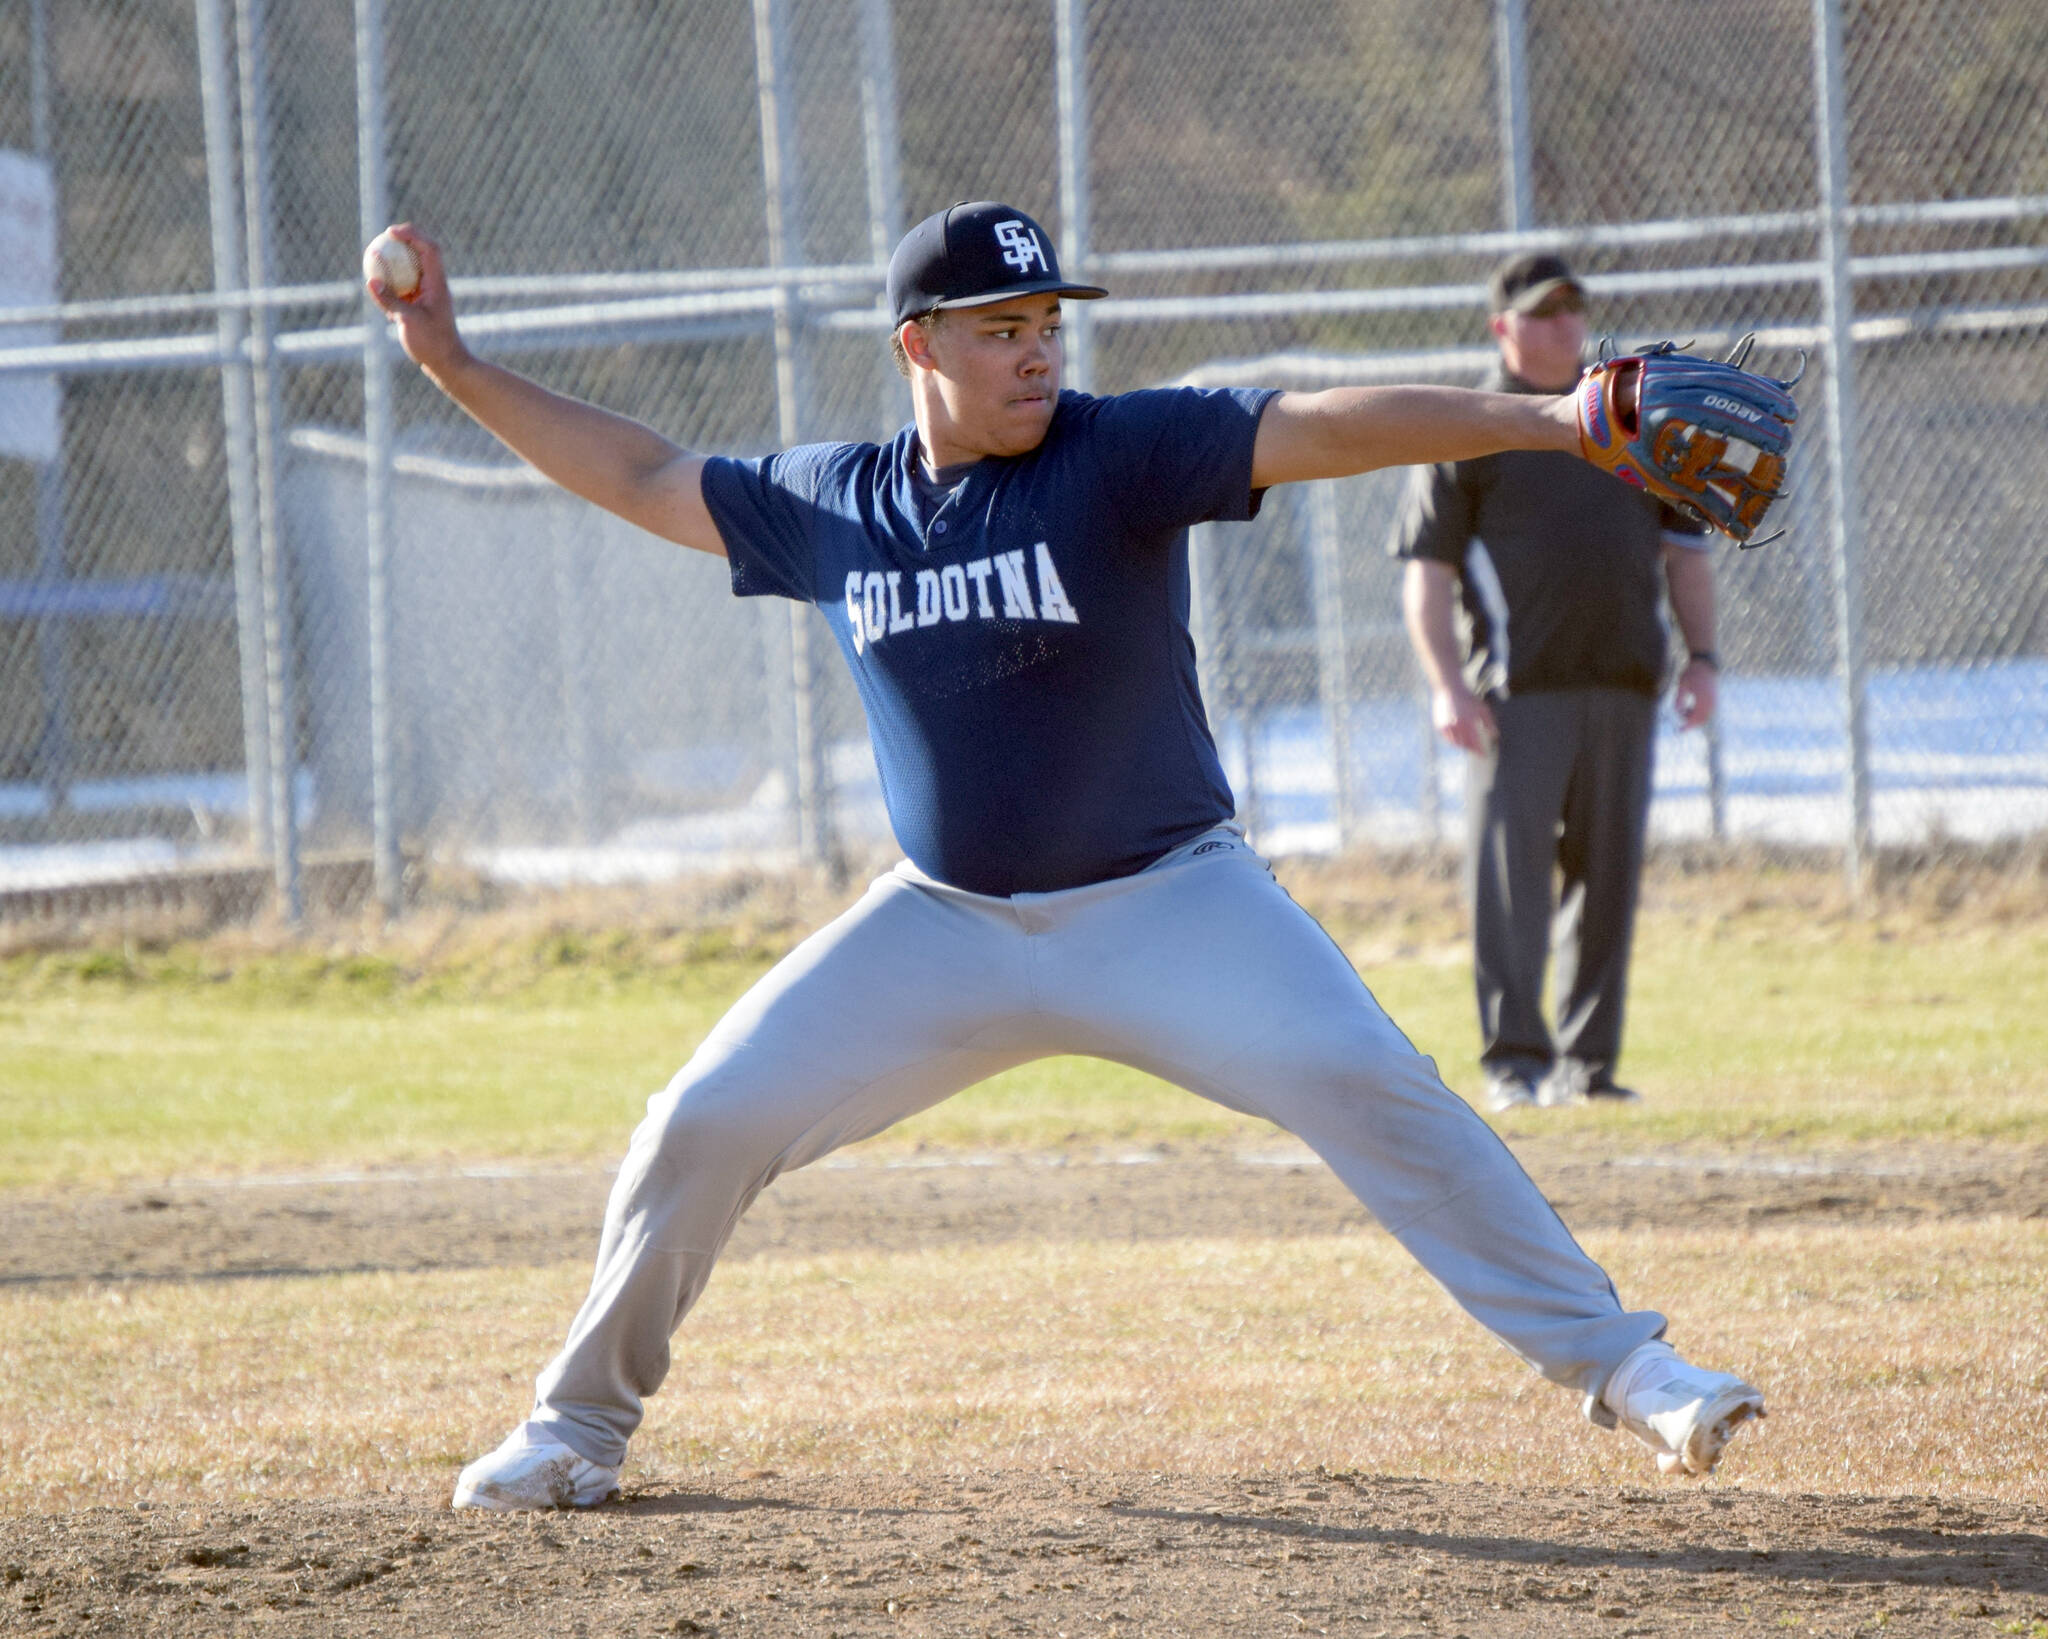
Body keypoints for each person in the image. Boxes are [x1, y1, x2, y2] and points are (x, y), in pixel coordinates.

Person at [365, 203, 1763, 1511]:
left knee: (1373, 1080)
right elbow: (645, 473)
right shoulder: (841, 504)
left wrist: (1552, 421)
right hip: (940, 920)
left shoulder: (1119, 452)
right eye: (999, 328)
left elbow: (1328, 422)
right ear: (919, 344)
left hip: (1173, 900)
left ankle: (1630, 1368)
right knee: (701, 1116)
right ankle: (578, 1425)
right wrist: (453, 361)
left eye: (1046, 324)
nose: (1037, 352)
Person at [1391, 252, 1721, 1116]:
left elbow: (1684, 553)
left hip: (1623, 682)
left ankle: (1590, 1066)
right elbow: (1425, 575)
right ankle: (1515, 1061)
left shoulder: (1626, 417)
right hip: (1515, 692)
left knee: (1607, 881)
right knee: (1512, 885)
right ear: (1502, 327)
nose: (1562, 326)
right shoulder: (1468, 425)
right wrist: (1444, 687)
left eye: (1571, 311)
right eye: (1540, 313)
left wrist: (1705, 660)